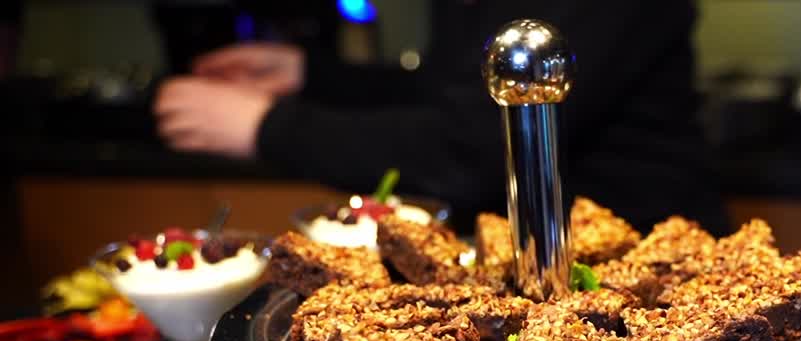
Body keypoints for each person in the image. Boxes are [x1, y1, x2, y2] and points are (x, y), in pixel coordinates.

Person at [152, 1, 728, 234]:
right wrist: (315, 76)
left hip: (648, 278)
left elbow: (473, 144)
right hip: (521, 264)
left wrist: (266, 126)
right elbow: (459, 88)